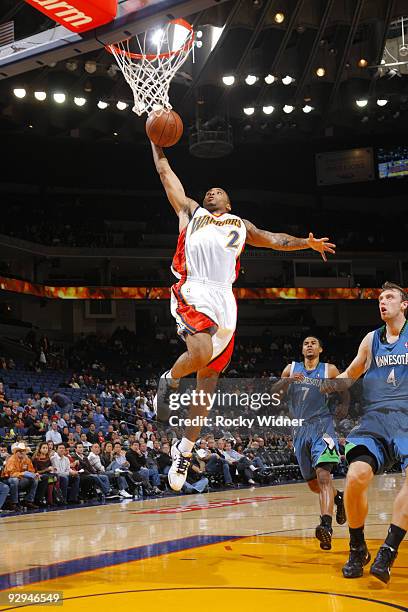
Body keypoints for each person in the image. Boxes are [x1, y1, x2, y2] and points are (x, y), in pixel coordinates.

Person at [150, 141, 336, 491]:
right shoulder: (190, 213)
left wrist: (304, 244)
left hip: (225, 300)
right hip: (194, 289)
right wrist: (155, 141)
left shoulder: (240, 224)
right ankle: (169, 378)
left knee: (207, 387)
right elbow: (164, 173)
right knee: (200, 351)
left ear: (229, 203)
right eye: (208, 191)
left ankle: (185, 449)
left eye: (218, 192)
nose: (211, 193)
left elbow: (273, 238)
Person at [333, 282, 408, 583]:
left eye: (389, 297)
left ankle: (388, 550)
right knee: (355, 477)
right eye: (379, 298)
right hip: (375, 420)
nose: (382, 302)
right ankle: (357, 547)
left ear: (404, 305)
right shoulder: (371, 339)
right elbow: (350, 374)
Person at [281, 336, 348, 550]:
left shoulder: (329, 369)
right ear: (302, 350)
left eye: (313, 343)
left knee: (323, 476)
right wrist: (287, 381)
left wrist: (344, 404)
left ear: (320, 348)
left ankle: (325, 526)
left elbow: (344, 387)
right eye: (305, 343)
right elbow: (273, 391)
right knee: (313, 484)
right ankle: (338, 498)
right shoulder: (291, 369)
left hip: (322, 426)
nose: (309, 345)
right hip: (300, 430)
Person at [2, 442, 40, 509]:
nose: (21, 452)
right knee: (14, 480)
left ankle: (28, 501)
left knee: (35, 479)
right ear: (16, 452)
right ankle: (14, 503)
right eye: (19, 451)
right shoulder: (11, 460)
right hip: (8, 479)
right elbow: (11, 474)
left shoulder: (27, 459)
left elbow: (31, 470)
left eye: (23, 451)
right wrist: (23, 473)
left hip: (22, 479)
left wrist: (34, 474)